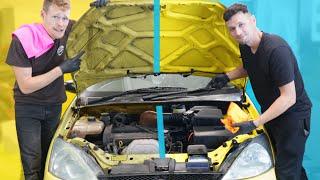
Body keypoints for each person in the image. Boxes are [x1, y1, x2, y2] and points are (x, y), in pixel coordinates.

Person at [207, 3, 312, 180]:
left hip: (292, 118)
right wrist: (226, 77)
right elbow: (250, 67)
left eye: (241, 25)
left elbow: (288, 97)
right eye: (232, 29)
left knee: (285, 172)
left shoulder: (276, 50)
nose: (238, 32)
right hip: (273, 113)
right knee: (288, 163)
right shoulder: (246, 45)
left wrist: (255, 123)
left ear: (253, 20)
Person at [5, 0, 107, 179]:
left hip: (53, 107)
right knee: (32, 163)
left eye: (64, 18)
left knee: (51, 159)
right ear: (43, 14)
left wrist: (103, 10)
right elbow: (26, 86)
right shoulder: (23, 39)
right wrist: (61, 69)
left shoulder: (68, 29)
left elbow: (97, 31)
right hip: (29, 109)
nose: (60, 23)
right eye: (55, 17)